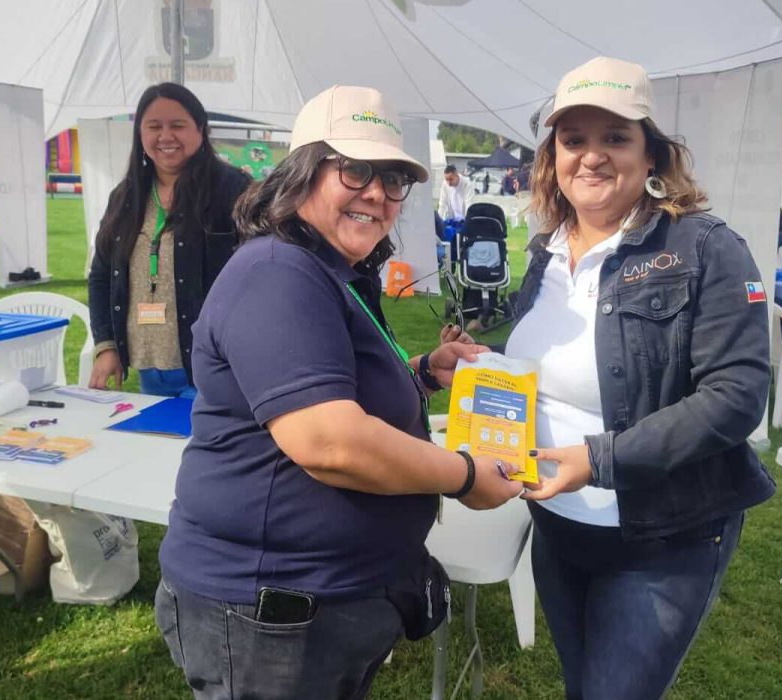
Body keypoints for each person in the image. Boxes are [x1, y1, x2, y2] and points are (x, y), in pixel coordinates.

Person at [154, 84, 525, 700]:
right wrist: (464, 476)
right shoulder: (277, 272)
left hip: (323, 598)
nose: (377, 192)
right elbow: (329, 441)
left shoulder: (331, 269)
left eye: (392, 179)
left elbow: (337, 384)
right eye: (354, 169)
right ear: (301, 173)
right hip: (268, 611)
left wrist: (423, 370)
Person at [501, 55, 776, 700]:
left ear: (651, 153)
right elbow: (560, 357)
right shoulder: (547, 250)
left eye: (615, 137)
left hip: (662, 538)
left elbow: (736, 397)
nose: (591, 156)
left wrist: (598, 460)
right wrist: (479, 358)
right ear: (552, 158)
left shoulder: (705, 246)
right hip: (557, 524)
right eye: (574, 139)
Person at [87, 82, 251, 397]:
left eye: (177, 125)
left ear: (200, 130)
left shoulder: (233, 190)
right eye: (154, 127)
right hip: (150, 368)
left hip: (214, 368)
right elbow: (101, 276)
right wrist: (106, 346)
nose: (165, 136)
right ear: (140, 134)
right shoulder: (124, 197)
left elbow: (259, 276)